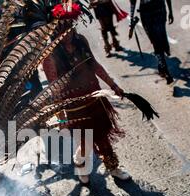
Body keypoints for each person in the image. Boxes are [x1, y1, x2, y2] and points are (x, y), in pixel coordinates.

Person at [43, 29, 131, 183]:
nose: (67, 33)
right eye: (62, 30)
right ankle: (80, 163)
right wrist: (61, 119)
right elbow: (54, 89)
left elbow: (95, 65)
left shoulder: (81, 41)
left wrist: (113, 85)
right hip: (74, 109)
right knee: (85, 142)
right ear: (55, 31)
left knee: (103, 136)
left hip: (95, 99)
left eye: (69, 28)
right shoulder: (50, 56)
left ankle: (113, 168)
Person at [130, 0, 174, 83]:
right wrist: (131, 18)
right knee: (156, 40)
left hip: (158, 10)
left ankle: (163, 67)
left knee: (159, 39)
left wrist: (170, 11)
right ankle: (163, 67)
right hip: (149, 12)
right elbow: (133, 1)